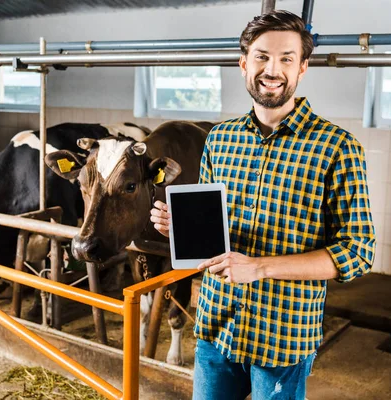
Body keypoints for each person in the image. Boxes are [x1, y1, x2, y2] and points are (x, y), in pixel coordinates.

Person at [150, 10, 375, 400]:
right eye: (262, 56)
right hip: (216, 328)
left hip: (283, 338)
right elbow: (213, 231)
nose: (273, 69)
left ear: (303, 68)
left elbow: (358, 253)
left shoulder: (338, 147)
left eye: (287, 58)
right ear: (243, 63)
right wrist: (181, 228)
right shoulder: (219, 140)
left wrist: (260, 267)